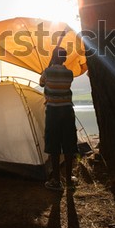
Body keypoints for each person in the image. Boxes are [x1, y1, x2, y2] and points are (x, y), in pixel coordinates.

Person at [40, 46, 78, 191]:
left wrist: (49, 66)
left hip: (53, 112)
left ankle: (56, 181)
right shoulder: (69, 73)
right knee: (69, 144)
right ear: (64, 58)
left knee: (54, 146)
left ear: (53, 57)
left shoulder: (47, 72)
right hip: (67, 111)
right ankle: (69, 180)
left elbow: (42, 83)